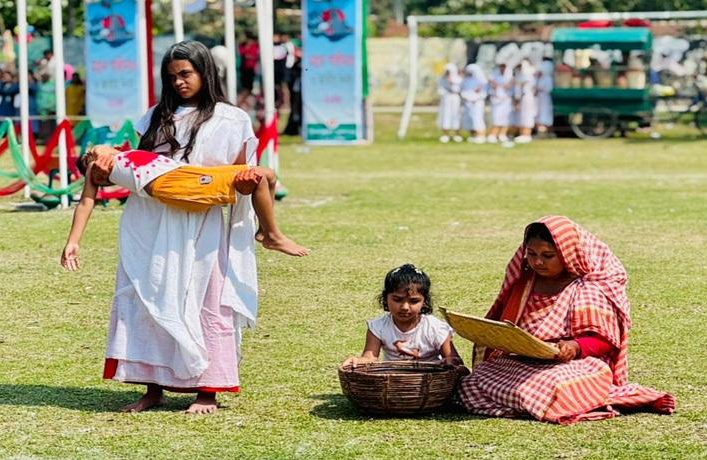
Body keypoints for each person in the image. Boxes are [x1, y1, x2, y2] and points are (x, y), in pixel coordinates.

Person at [69, 40, 269, 415]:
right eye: (172, 76)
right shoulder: (153, 117)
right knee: (150, 296)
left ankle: (207, 389)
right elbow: (135, 166)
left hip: (200, 221)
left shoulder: (231, 118)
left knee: (205, 300)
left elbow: (241, 173)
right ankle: (153, 386)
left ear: (204, 72)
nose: (178, 82)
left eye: (186, 74)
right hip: (151, 221)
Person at [457, 216, 676, 424]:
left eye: (548, 255)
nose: (538, 262)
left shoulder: (587, 287)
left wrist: (575, 346)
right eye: (531, 254)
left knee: (555, 387)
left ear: (567, 253)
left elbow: (605, 340)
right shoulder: (524, 283)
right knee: (471, 382)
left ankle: (539, 402)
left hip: (573, 364)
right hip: (525, 361)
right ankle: (533, 404)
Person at [67, 147, 308, 257]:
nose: (95, 153)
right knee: (257, 180)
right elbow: (86, 203)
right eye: (88, 157)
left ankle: (263, 231)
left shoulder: (121, 156)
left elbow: (108, 149)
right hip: (172, 185)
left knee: (267, 174)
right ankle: (273, 237)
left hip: (186, 172)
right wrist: (73, 242)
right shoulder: (96, 167)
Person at [342, 264, 466, 374]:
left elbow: (455, 361)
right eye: (397, 299)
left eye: (414, 301)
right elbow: (369, 358)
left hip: (430, 381)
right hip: (393, 380)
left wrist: (450, 362)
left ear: (424, 302)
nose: (405, 307)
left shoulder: (436, 328)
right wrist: (357, 362)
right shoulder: (378, 327)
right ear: (385, 298)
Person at [459, 63, 488, 144]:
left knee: (477, 119)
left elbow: (483, 92)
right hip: (467, 102)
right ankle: (473, 134)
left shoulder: (481, 81)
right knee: (469, 119)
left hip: (477, 102)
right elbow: (463, 90)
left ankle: (481, 135)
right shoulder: (465, 79)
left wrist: (476, 98)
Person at [487, 62, 514, 143]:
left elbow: (511, 88)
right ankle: (493, 134)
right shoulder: (494, 76)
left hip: (506, 100)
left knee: (505, 118)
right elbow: (491, 86)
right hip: (496, 100)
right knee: (496, 117)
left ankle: (502, 134)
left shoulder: (510, 77)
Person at [436, 63, 463, 143]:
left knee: (456, 115)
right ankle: (445, 134)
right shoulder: (442, 79)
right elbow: (440, 89)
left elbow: (458, 88)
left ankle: (457, 134)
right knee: (445, 115)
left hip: (455, 98)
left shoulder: (458, 79)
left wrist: (451, 80)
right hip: (446, 99)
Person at [513, 60, 537, 143]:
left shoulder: (526, 77)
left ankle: (526, 134)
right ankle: (523, 134)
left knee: (527, 116)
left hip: (526, 98)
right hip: (524, 98)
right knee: (522, 116)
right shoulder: (524, 77)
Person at [535, 59, 554, 136]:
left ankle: (543, 131)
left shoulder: (547, 78)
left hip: (544, 97)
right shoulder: (542, 78)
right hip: (540, 97)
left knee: (544, 112)